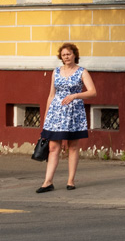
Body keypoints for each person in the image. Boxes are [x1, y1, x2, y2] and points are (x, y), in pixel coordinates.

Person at [39, 43, 96, 192]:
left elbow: (92, 92)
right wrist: (46, 117)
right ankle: (47, 182)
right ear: (61, 57)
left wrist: (75, 96)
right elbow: (51, 95)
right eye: (64, 55)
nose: (66, 57)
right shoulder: (56, 72)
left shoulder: (82, 72)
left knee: (73, 146)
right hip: (56, 113)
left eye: (69, 54)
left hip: (74, 114)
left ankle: (71, 180)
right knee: (53, 147)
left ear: (74, 55)